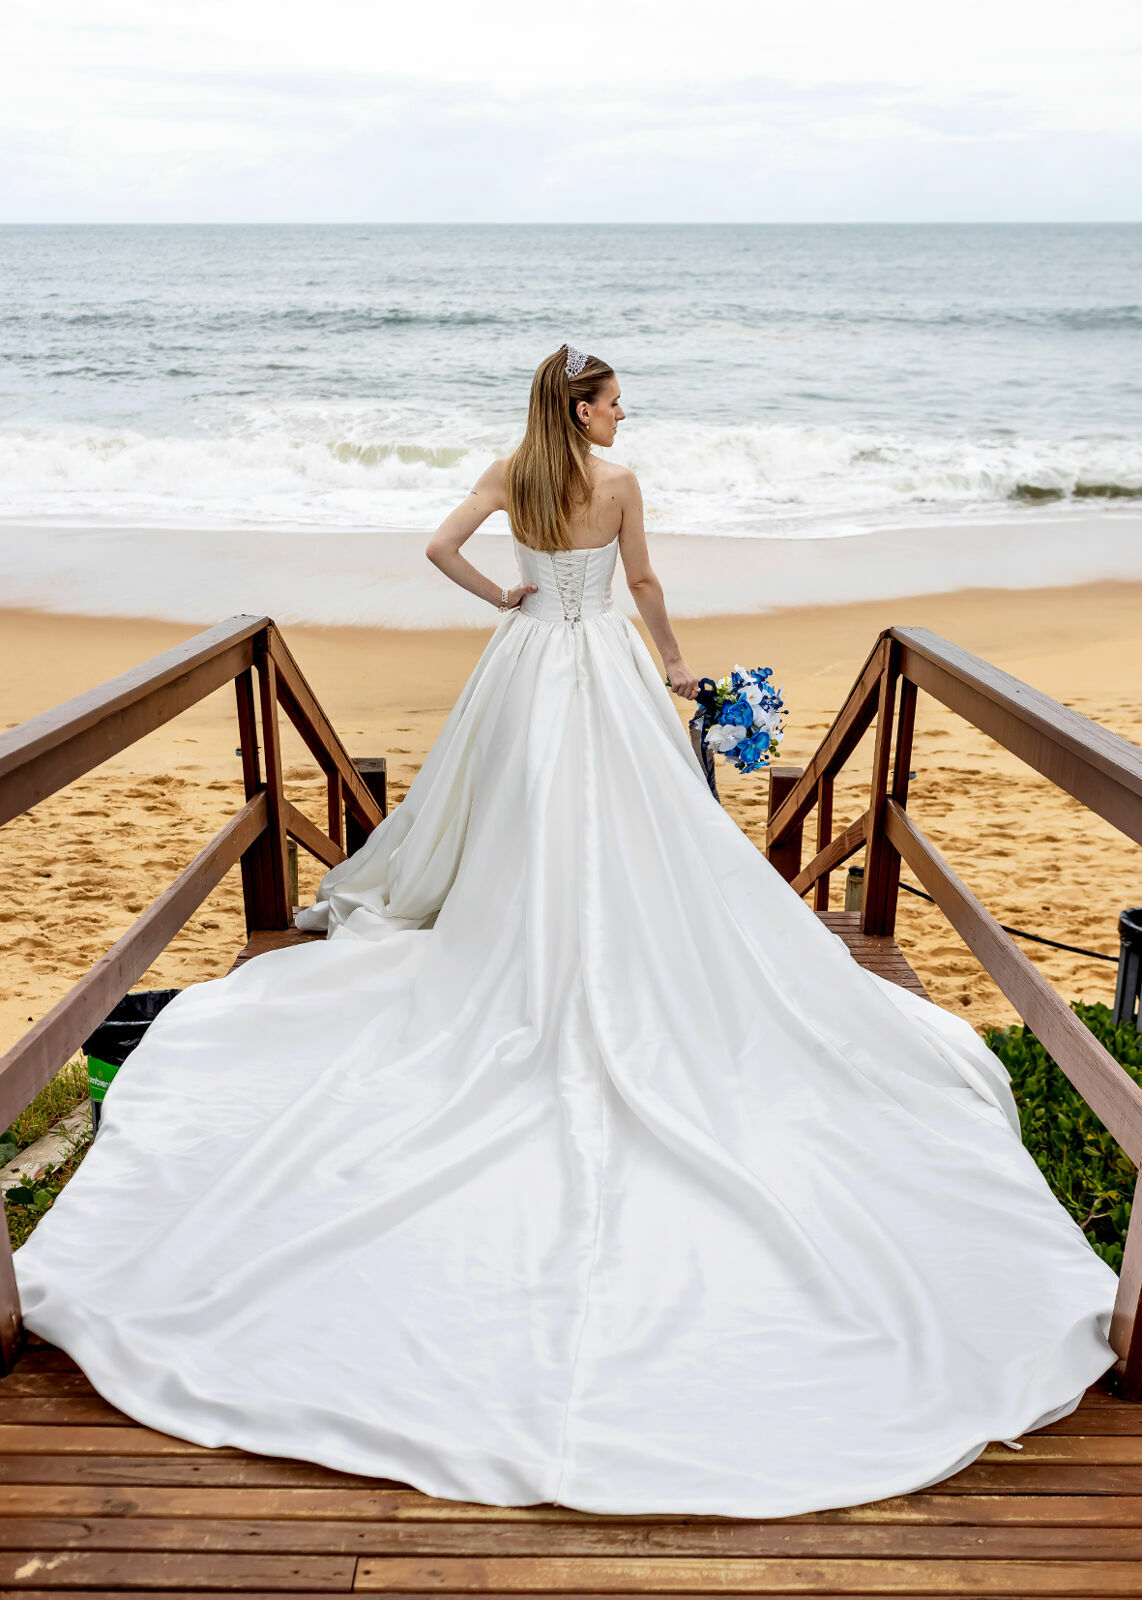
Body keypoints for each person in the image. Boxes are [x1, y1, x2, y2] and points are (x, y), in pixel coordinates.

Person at [14, 344, 1118, 1520]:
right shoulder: (619, 482)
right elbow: (641, 590)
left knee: (521, 806)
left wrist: (501, 598)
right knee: (629, 811)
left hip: (526, 658)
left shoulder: (514, 469)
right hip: (601, 666)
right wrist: (681, 669)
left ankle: (522, 926)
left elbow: (436, 548)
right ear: (579, 406)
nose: (623, 411)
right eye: (610, 398)